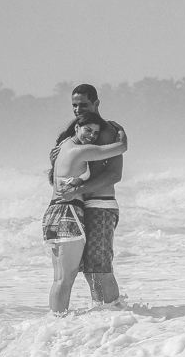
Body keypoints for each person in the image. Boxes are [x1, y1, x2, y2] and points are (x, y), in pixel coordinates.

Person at [44, 111, 127, 313]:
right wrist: (121, 131)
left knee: (59, 278)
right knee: (65, 279)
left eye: (95, 132)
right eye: (87, 130)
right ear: (77, 128)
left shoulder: (63, 147)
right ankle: (56, 324)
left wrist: (78, 181)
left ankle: (53, 325)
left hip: (53, 213)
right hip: (68, 213)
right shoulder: (80, 151)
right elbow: (120, 148)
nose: (91, 135)